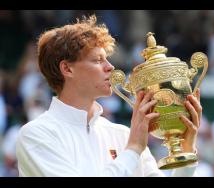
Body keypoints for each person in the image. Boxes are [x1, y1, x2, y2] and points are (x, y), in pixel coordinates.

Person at [16, 15, 203, 177]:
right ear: (67, 68)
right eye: (98, 60)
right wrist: (133, 150)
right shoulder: (36, 134)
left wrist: (186, 153)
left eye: (107, 59)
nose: (110, 67)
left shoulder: (123, 135)